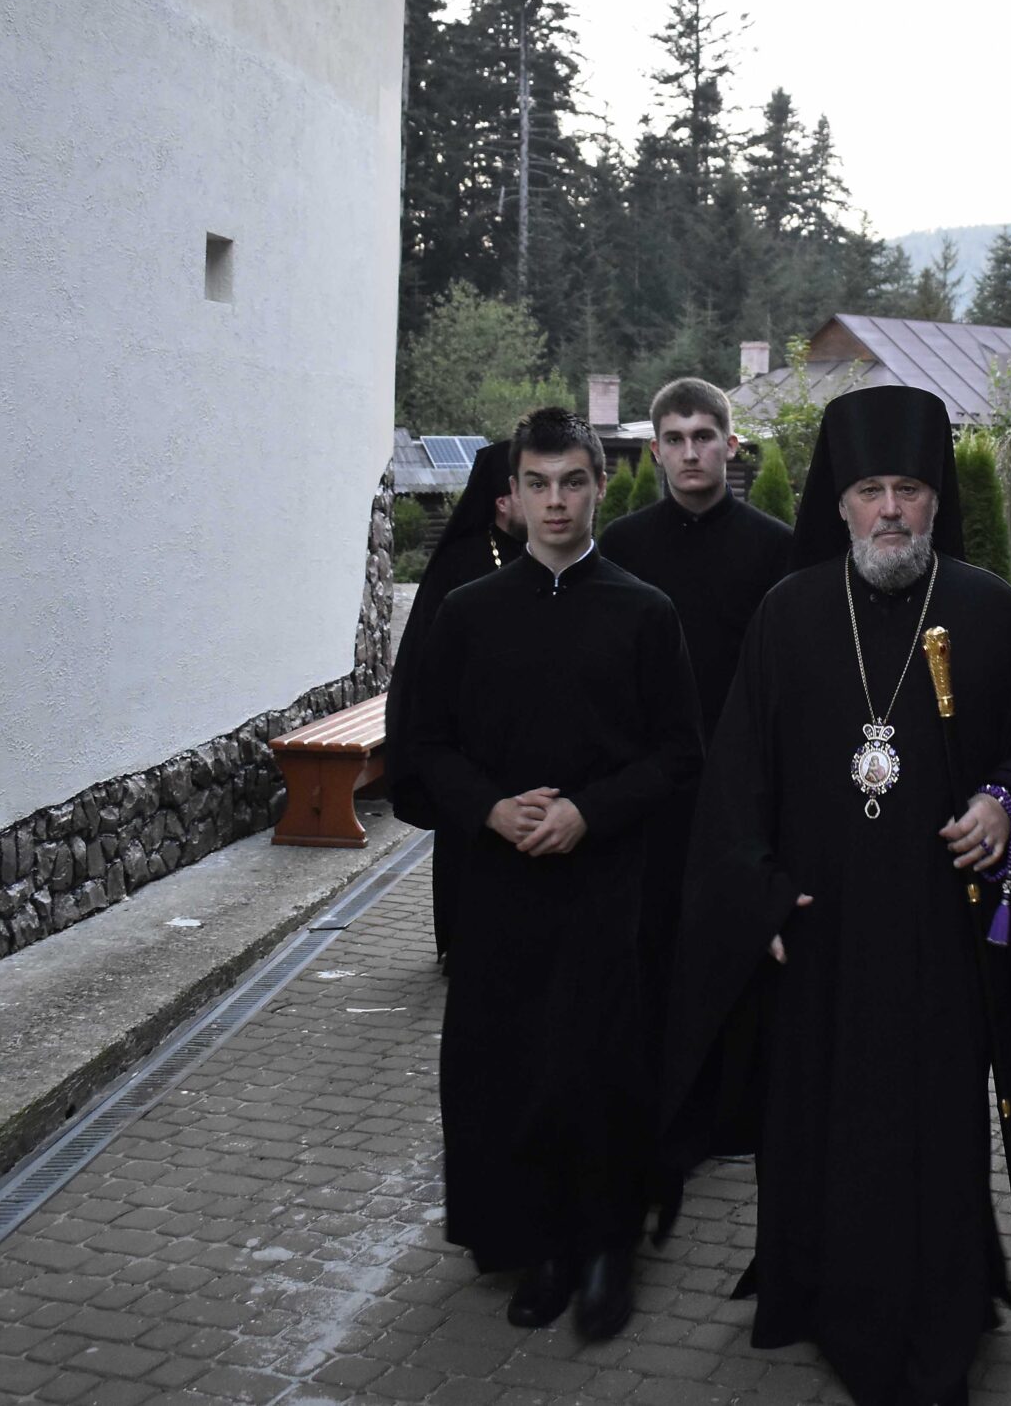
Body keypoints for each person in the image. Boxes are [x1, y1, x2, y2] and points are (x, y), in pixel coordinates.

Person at [663, 385, 1011, 1406]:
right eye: (870, 491)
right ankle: (819, 1290)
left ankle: (938, 1306)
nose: (891, 510)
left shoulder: (990, 611)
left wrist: (1003, 800)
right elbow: (737, 778)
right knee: (819, 1121)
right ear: (841, 503)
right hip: (818, 930)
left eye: (908, 488)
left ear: (936, 499)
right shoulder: (789, 613)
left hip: (942, 938)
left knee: (932, 1128)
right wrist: (759, 896)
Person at [396, 408, 703, 1341]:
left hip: (608, 888)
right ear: (513, 495)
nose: (556, 501)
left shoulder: (645, 611)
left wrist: (589, 812)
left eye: (572, 482)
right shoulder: (469, 613)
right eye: (538, 484)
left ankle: (608, 1246)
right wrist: (491, 807)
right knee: (514, 1065)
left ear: (600, 486)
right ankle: (540, 1245)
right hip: (500, 887)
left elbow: (680, 754)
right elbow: (424, 745)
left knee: (600, 1063)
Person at [601, 377, 795, 1068]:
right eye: (675, 439)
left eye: (704, 437)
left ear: (730, 445)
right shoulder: (622, 545)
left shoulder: (777, 549)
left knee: (732, 947)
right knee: (650, 947)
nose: (690, 452)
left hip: (741, 784)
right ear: (655, 450)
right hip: (650, 787)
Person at [384, 441, 523, 962]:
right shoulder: (462, 563)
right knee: (467, 845)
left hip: (523, 736)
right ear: (501, 499)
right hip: (469, 742)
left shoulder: (542, 553)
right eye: (527, 484)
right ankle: (459, 947)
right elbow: (431, 663)